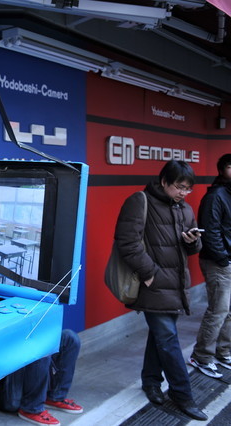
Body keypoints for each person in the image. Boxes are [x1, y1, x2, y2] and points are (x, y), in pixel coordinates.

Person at [114, 159, 206, 421]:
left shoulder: (185, 208)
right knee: (168, 340)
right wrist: (149, 273)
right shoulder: (140, 201)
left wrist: (193, 242)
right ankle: (183, 394)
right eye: (179, 187)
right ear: (164, 181)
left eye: (188, 189)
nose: (183, 193)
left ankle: (151, 382)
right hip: (153, 283)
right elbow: (127, 242)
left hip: (176, 284)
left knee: (160, 338)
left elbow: (191, 249)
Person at [189, 153, 231, 379]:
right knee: (218, 310)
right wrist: (224, 259)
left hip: (227, 259)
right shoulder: (216, 196)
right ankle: (202, 356)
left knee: (229, 311)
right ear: (223, 169)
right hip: (218, 262)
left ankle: (223, 351)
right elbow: (210, 231)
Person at [0, 329, 82, 426]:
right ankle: (31, 408)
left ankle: (55, 396)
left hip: (26, 358)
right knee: (39, 347)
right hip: (7, 388)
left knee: (69, 338)